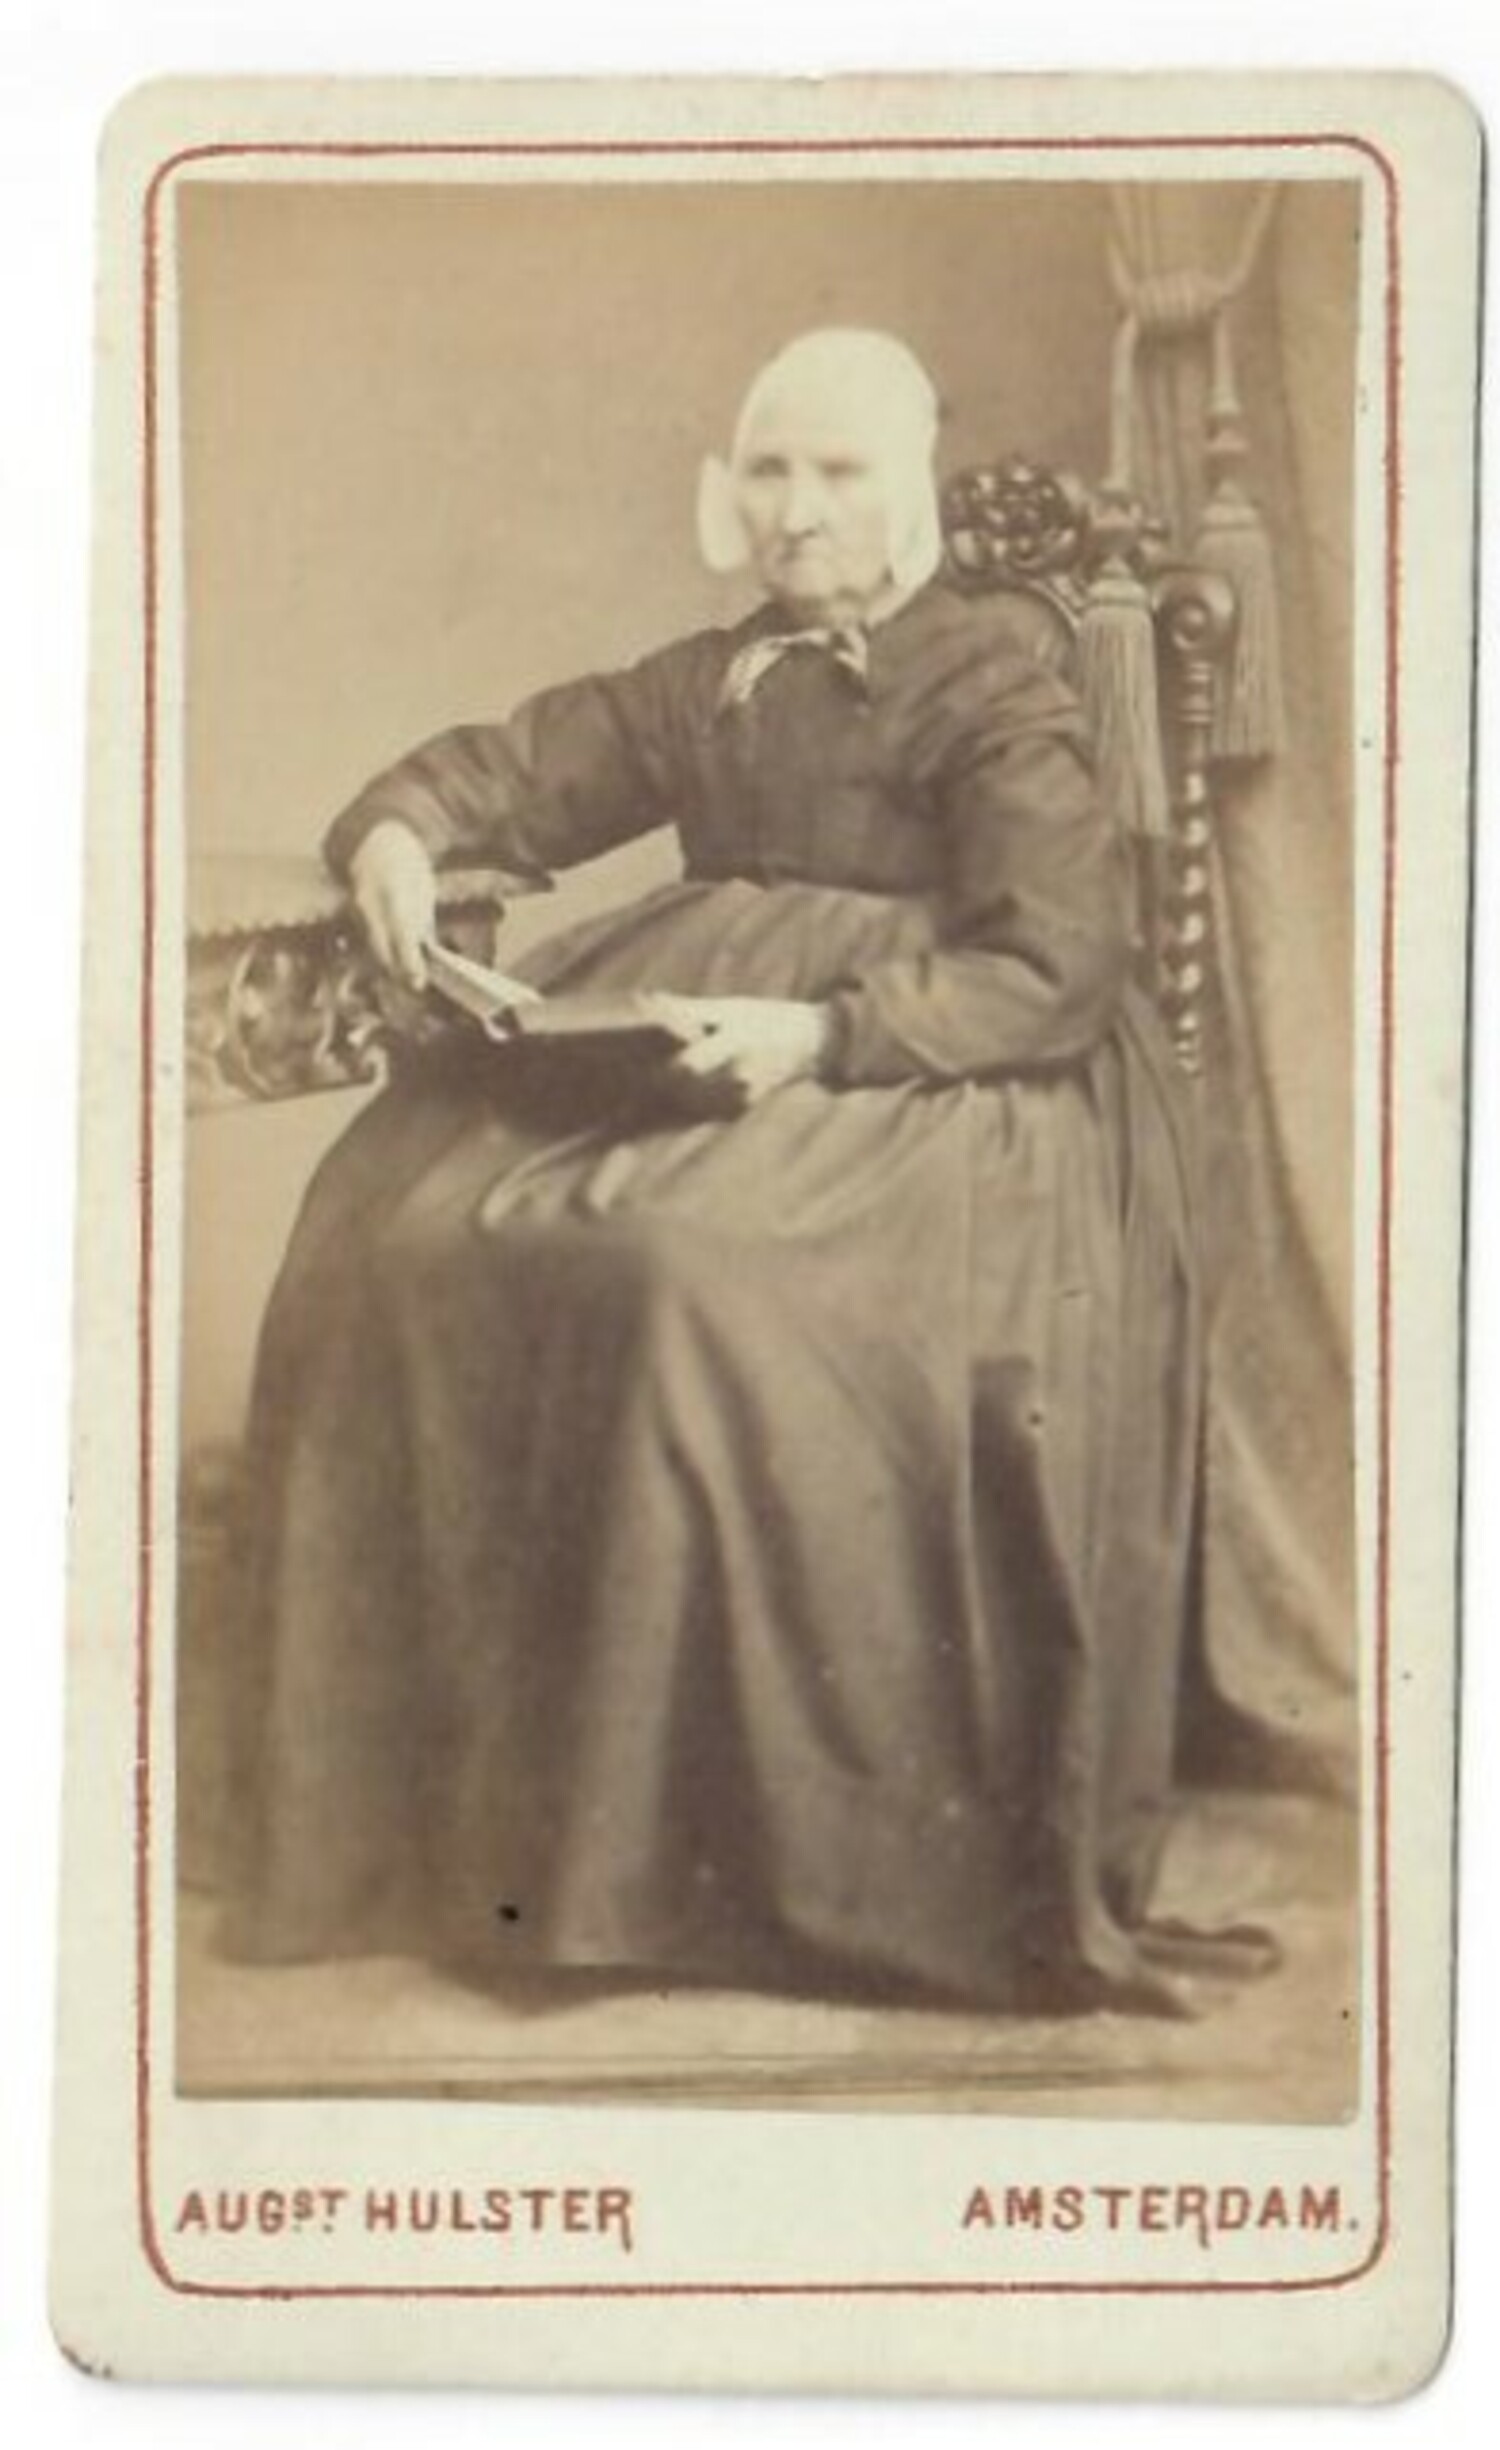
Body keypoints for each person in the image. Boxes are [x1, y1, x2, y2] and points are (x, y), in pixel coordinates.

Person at [226, 328, 1215, 2016]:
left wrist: (822, 1035)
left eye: (837, 476)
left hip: (945, 1087)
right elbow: (516, 769)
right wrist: (394, 831)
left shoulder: (993, 691)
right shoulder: (713, 679)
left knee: (677, 1281)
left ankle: (697, 1857)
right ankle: (449, 1828)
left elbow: (1054, 966)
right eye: (769, 472)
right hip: (707, 1046)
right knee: (396, 1231)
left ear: (907, 493)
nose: (798, 513)